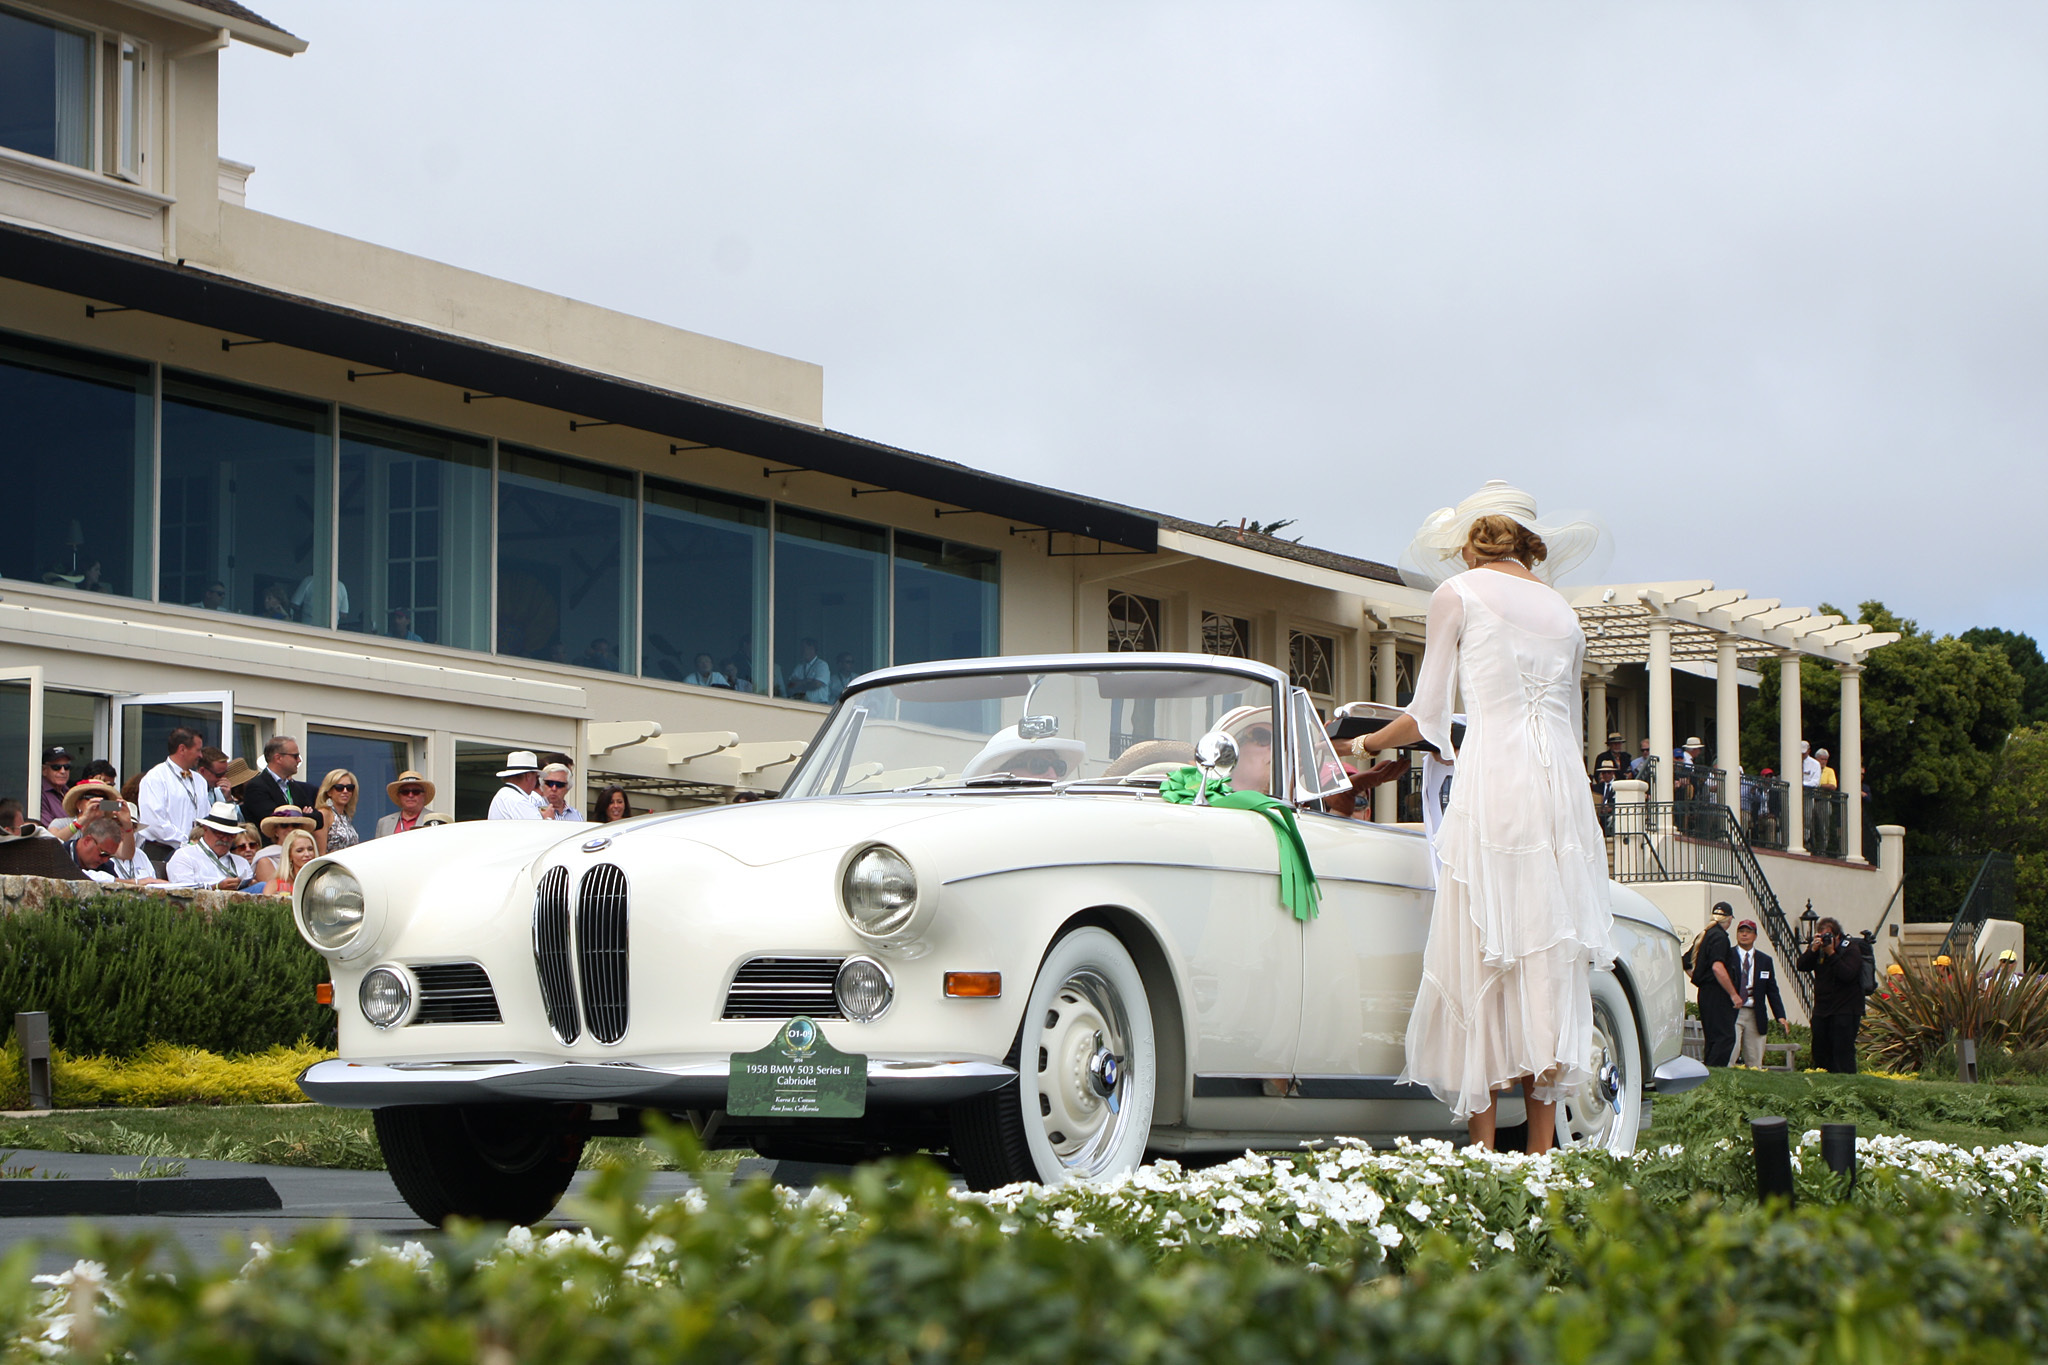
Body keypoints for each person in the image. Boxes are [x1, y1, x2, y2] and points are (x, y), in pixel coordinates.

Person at [1347, 481, 1612, 1152]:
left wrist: (1362, 743)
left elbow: (1428, 715)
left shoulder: (1457, 595)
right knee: (1545, 955)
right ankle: (1543, 1156)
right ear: (1528, 539)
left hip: (1496, 777)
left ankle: (1487, 1150)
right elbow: (1571, 725)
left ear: (1470, 539)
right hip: (1560, 792)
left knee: (1485, 945)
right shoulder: (1563, 612)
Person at [138, 726, 212, 878]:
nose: (200, 755)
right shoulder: (155, 777)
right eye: (197, 750)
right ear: (182, 749)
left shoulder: (199, 780)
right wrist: (186, 841)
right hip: (161, 851)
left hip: (196, 850)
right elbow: (154, 822)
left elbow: (206, 816)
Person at [1796, 915, 1866, 1074]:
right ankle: (1822, 1082)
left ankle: (1847, 1086)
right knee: (1820, 1050)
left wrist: (1832, 953)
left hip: (1846, 1010)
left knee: (1842, 1052)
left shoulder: (1851, 949)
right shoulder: (1818, 951)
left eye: (1828, 936)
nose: (1825, 940)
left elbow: (1847, 974)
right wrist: (1813, 949)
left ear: (1838, 936)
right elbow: (1801, 966)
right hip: (1823, 1009)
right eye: (1821, 936)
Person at [1730, 919, 1790, 1067]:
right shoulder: (1728, 956)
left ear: (1755, 936)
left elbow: (1772, 989)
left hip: (1755, 1013)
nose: (1744, 935)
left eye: (1748, 932)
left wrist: (1780, 1016)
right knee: (1730, 1053)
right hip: (1732, 1011)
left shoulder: (1765, 960)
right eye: (1741, 931)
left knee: (1755, 1058)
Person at [1690, 902, 1742, 1067]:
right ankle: (1715, 1071)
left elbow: (1686, 961)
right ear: (1729, 919)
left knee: (1712, 1037)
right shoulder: (1720, 938)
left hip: (1706, 993)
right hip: (1717, 993)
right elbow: (1717, 967)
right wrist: (1733, 994)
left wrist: (1700, 978)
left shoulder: (1705, 935)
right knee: (1725, 1037)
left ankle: (1709, 1071)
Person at [239, 736, 325, 835]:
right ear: (278, 758)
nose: (299, 760)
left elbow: (319, 820)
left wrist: (297, 816)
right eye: (295, 756)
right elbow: (274, 821)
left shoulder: (294, 787)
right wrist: (303, 815)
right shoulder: (257, 786)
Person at [166, 801, 256, 890]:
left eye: (231, 835)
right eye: (220, 833)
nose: (225, 839)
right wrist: (216, 887)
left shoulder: (241, 862)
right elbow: (183, 894)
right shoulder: (184, 856)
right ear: (205, 829)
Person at [252, 807, 317, 882]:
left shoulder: (310, 854)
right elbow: (271, 891)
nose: (290, 829)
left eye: (295, 825)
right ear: (276, 831)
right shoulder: (265, 859)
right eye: (284, 825)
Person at [376, 772, 444, 836]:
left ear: (424, 795)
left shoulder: (437, 820)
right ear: (399, 796)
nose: (410, 795)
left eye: (416, 791)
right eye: (405, 792)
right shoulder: (384, 823)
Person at [313, 769, 362, 854]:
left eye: (349, 788)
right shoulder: (324, 814)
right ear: (329, 792)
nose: (345, 791)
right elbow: (320, 853)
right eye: (339, 788)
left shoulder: (346, 816)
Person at [489, 750, 548, 819]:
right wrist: (547, 817)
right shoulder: (518, 801)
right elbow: (538, 828)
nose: (536, 781)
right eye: (536, 777)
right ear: (528, 776)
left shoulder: (503, 795)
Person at [264, 827, 319, 895]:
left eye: (310, 849)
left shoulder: (322, 882)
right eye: (300, 850)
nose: (307, 854)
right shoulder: (274, 886)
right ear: (289, 855)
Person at [782, 638, 832, 703]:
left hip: (818, 705)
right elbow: (790, 686)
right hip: (801, 703)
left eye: (803, 648)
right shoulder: (799, 667)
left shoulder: (822, 665)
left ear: (812, 649)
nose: (801, 651)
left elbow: (816, 684)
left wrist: (799, 684)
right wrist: (805, 681)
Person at [38, 746, 73, 826]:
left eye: (67, 767)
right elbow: (51, 830)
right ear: (44, 770)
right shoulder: (38, 795)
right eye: (56, 767)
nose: (63, 771)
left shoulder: (70, 792)